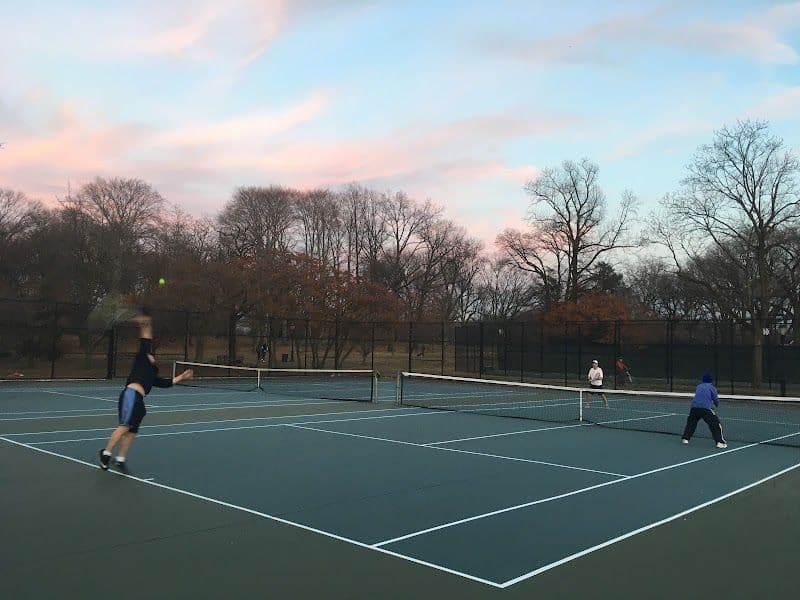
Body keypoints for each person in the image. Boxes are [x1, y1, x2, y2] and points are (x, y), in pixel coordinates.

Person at [99, 315, 193, 471]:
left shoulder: (152, 375)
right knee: (124, 427)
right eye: (150, 353)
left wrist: (182, 376)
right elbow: (146, 335)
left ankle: (120, 459)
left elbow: (166, 383)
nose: (152, 354)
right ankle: (106, 454)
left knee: (132, 432)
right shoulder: (142, 358)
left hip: (140, 402)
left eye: (153, 355)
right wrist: (143, 322)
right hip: (130, 395)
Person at [681, 373, 727, 449]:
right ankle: (720, 442)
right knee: (715, 425)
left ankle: (685, 438)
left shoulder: (698, 386)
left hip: (694, 408)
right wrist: (717, 404)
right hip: (705, 409)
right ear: (711, 381)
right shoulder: (712, 388)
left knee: (691, 424)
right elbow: (715, 399)